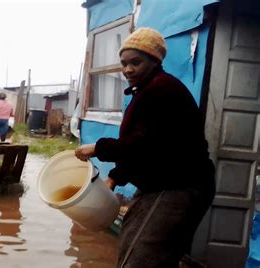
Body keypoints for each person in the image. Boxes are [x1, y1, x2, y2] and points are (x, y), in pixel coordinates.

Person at [74, 27, 215, 267]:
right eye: (124, 64)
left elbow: (146, 144)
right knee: (133, 243)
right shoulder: (147, 90)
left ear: (154, 60)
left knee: (140, 259)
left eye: (136, 62)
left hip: (177, 186)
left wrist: (97, 148)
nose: (128, 69)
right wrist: (115, 178)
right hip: (160, 184)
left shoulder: (162, 90)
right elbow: (146, 145)